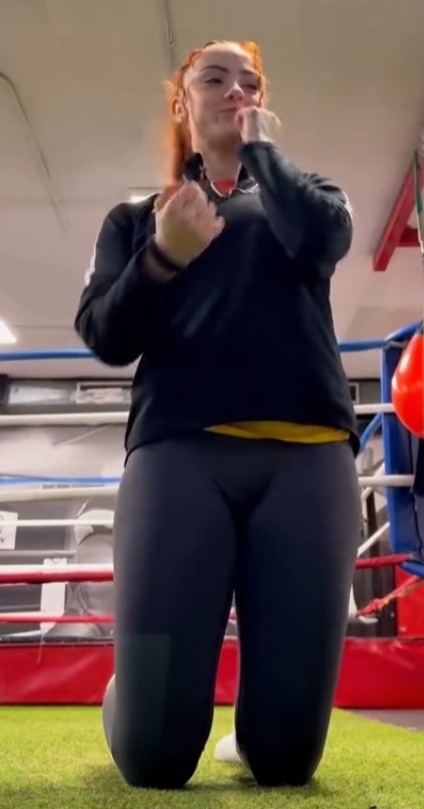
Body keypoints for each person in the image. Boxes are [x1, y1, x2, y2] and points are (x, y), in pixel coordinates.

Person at [74, 39, 361, 790]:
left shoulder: (308, 194)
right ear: (182, 103)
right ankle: (133, 695)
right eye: (215, 77)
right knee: (155, 759)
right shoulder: (136, 217)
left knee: (285, 761)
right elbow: (104, 334)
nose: (236, 90)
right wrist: (163, 256)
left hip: (309, 459)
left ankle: (254, 724)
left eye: (251, 82)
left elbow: (323, 238)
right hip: (179, 458)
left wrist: (263, 151)